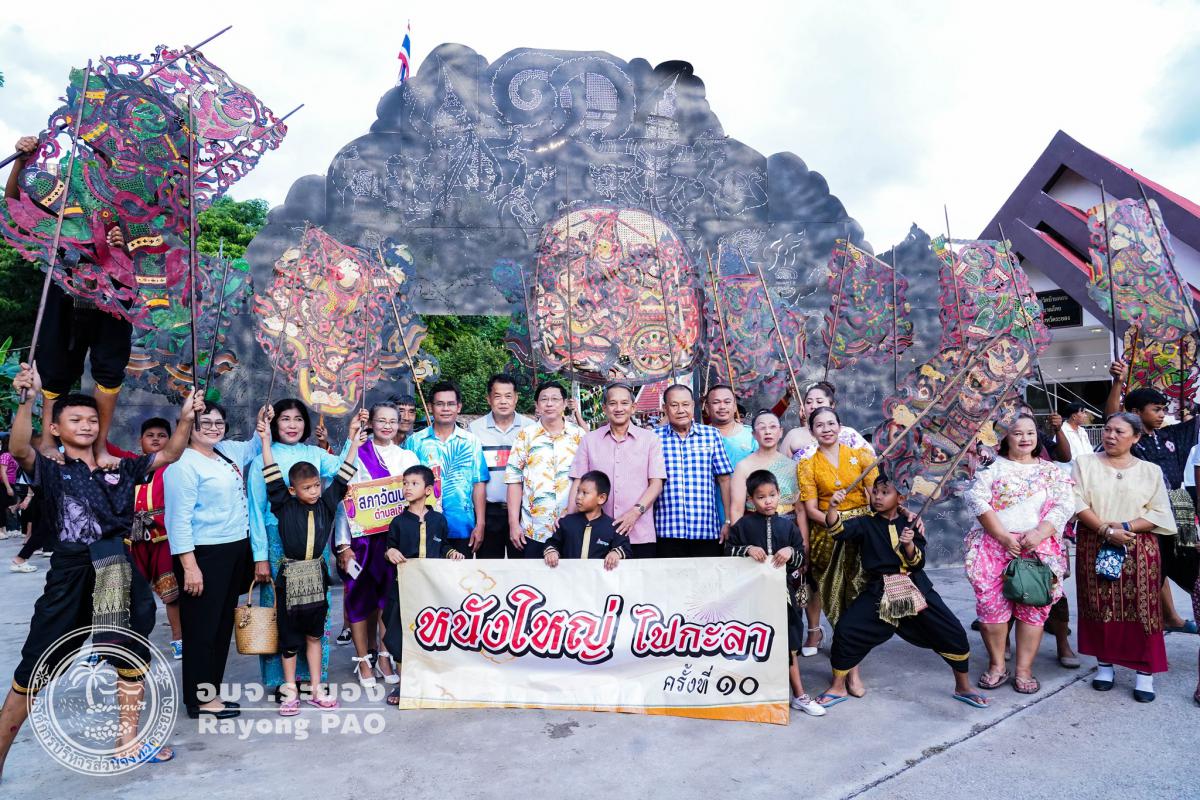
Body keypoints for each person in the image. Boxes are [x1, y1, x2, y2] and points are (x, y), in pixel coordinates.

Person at [0, 363, 199, 774]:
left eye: (92, 419)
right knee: (36, 664)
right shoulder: (51, 469)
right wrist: (27, 402)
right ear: (55, 428)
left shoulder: (120, 468)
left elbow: (170, 454)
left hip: (118, 569)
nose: (86, 425)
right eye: (75, 420)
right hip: (71, 573)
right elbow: (20, 449)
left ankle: (127, 742)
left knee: (130, 651)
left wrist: (185, 418)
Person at [7, 136, 132, 467]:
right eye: (100, 151)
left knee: (110, 367)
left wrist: (127, 242)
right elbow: (15, 201)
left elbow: (157, 249)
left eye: (112, 153)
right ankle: (49, 441)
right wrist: (23, 160)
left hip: (114, 291)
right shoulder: (64, 190)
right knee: (53, 365)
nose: (106, 158)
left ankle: (100, 447)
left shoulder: (135, 197)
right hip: (64, 284)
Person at [820, 475, 988, 710]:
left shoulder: (913, 523)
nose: (877, 497)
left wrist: (909, 544)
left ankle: (963, 686)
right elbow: (838, 531)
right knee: (847, 630)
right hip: (880, 589)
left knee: (952, 630)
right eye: (875, 492)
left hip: (915, 586)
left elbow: (917, 563)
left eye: (885, 492)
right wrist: (832, 508)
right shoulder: (865, 523)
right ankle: (838, 686)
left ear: (900, 498)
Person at [166, 401, 269, 719]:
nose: (213, 428)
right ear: (189, 426)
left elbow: (254, 446)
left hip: (233, 550)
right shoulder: (182, 464)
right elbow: (177, 521)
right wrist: (190, 566)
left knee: (222, 626)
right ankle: (199, 700)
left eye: (219, 422)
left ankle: (210, 692)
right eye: (205, 422)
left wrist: (262, 419)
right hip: (203, 555)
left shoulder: (225, 452)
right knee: (202, 630)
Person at [247, 398, 356, 697]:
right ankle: (282, 681)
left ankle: (313, 679)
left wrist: (352, 437)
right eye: (285, 419)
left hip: (313, 546)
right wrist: (260, 556)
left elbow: (344, 471)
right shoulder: (261, 460)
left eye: (298, 419)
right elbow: (256, 510)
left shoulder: (314, 454)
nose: (292, 425)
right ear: (274, 423)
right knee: (280, 612)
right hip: (276, 543)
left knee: (315, 612)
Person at [963, 415, 1074, 693]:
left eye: (1030, 433)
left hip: (1037, 548)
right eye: (1017, 433)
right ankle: (997, 665)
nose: (1025, 438)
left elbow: (1064, 505)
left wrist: (1039, 533)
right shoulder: (991, 468)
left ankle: (1024, 670)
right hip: (993, 546)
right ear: (1006, 437)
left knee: (1032, 608)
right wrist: (1002, 536)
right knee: (991, 609)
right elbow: (977, 500)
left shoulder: (1051, 472)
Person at [1073, 412, 1176, 702]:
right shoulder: (1085, 463)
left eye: (1119, 432)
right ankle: (1104, 666)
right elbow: (1077, 501)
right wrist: (1106, 530)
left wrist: (1125, 526)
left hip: (1137, 545)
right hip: (1095, 541)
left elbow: (1159, 512)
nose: (1110, 436)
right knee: (1099, 604)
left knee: (1142, 609)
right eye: (1107, 429)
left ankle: (1144, 673)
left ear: (1136, 437)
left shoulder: (1150, 471)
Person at [1103, 362, 1199, 634]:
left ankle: (1173, 616)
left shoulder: (1171, 434)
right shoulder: (1129, 440)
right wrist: (1118, 382)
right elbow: (1112, 416)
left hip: (1180, 508)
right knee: (1154, 569)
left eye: (1163, 409)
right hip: (1147, 514)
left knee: (1192, 568)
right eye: (1156, 409)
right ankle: (1153, 624)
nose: (1162, 414)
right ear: (1135, 413)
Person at [727, 469, 825, 717]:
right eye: (761, 497)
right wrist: (747, 549)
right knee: (754, 643)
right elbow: (728, 553)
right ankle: (754, 695)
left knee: (788, 644)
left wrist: (791, 553)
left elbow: (800, 557)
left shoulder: (788, 526)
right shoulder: (743, 526)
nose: (768, 501)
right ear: (751, 500)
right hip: (752, 598)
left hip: (784, 598)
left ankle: (799, 695)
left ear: (779, 494)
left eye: (772, 495)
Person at [333, 400, 417, 687]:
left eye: (393, 421)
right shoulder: (357, 453)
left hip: (393, 542)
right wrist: (343, 546)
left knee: (387, 601)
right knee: (359, 598)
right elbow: (344, 502)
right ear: (370, 423)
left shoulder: (406, 457)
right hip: (362, 542)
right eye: (381, 420)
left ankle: (384, 655)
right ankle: (362, 660)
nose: (387, 426)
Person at [798, 406, 877, 698]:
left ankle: (852, 669)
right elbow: (811, 509)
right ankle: (845, 674)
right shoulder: (807, 465)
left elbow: (878, 498)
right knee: (836, 605)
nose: (827, 429)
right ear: (812, 431)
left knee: (858, 603)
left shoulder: (862, 456)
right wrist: (838, 523)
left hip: (862, 537)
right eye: (820, 425)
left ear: (840, 426)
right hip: (829, 536)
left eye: (831, 423)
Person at [382, 464, 464, 704]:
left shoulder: (438, 520)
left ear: (428, 490)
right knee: (400, 635)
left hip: (431, 591)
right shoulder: (398, 522)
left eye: (414, 484)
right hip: (404, 589)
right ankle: (404, 684)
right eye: (405, 483)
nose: (407, 488)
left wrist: (451, 553)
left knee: (433, 633)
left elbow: (443, 544)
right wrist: (390, 552)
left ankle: (434, 682)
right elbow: (389, 549)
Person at [568, 383, 666, 559]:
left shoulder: (650, 440)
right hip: (597, 536)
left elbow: (656, 484)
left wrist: (635, 513)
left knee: (640, 577)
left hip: (640, 534)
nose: (619, 408)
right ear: (604, 408)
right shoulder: (589, 440)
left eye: (624, 403)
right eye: (613, 403)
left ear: (633, 407)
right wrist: (569, 521)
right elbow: (579, 482)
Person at [405, 381, 490, 555]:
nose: (445, 409)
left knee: (460, 572)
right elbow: (406, 484)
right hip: (423, 526)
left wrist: (480, 524)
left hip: (462, 526)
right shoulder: (415, 442)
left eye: (450, 404)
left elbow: (479, 484)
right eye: (440, 404)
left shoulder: (471, 442)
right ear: (430, 407)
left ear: (459, 407)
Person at [506, 381, 585, 559]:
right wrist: (513, 524)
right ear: (537, 405)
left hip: (571, 526)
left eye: (555, 399)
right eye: (544, 399)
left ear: (564, 404)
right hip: (533, 529)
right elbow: (513, 480)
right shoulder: (525, 436)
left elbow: (586, 481)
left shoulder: (579, 436)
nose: (549, 404)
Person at [652, 385, 733, 557]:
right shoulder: (654, 438)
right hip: (666, 530)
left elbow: (724, 480)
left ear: (693, 406)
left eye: (685, 404)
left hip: (706, 530)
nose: (681, 410)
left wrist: (727, 520)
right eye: (674, 405)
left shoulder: (711, 435)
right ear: (665, 408)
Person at [128, 417, 183, 659]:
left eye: (162, 435)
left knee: (171, 592)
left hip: (164, 538)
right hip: (133, 539)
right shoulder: (129, 465)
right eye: (150, 435)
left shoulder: (174, 467)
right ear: (140, 440)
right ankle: (134, 641)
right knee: (133, 594)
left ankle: (178, 638)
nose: (156, 439)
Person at [469, 374, 532, 559]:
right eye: (497, 396)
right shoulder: (475, 429)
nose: (503, 401)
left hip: (523, 512)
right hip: (489, 512)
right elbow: (475, 478)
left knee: (521, 568)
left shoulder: (530, 428)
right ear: (488, 399)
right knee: (489, 569)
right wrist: (480, 522)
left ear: (516, 398)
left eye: (508, 396)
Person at [544, 471, 628, 569]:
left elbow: (625, 548)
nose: (578, 497)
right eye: (578, 491)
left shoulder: (613, 527)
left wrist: (615, 553)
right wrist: (552, 552)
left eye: (584, 493)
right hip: (568, 576)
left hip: (598, 577)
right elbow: (553, 543)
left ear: (601, 498)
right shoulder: (566, 522)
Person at [728, 411, 798, 524]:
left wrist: (803, 536)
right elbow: (736, 509)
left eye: (772, 427)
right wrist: (738, 534)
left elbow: (800, 509)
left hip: (788, 529)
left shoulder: (792, 466)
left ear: (781, 432)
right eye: (762, 428)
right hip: (755, 528)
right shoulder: (743, 466)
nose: (768, 432)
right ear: (753, 434)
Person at [781, 381, 872, 461]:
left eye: (819, 402)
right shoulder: (793, 435)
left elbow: (870, 464)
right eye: (808, 402)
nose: (813, 406)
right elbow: (780, 472)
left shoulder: (848, 434)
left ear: (832, 405)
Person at [704, 385, 756, 523]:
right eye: (716, 402)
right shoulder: (700, 437)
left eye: (727, 402)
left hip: (746, 510)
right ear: (707, 408)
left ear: (734, 406)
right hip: (707, 514)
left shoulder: (751, 435)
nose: (722, 407)